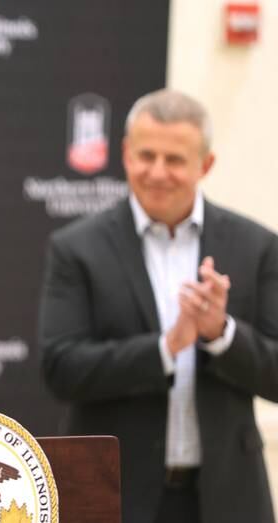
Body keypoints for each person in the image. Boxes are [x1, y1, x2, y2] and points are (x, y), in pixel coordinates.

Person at [38, 88, 278, 523]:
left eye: (175, 160)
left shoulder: (256, 246)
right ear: (126, 154)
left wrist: (221, 334)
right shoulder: (77, 247)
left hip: (228, 499)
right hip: (113, 494)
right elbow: (61, 368)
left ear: (205, 165)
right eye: (146, 156)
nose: (157, 172)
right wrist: (167, 348)